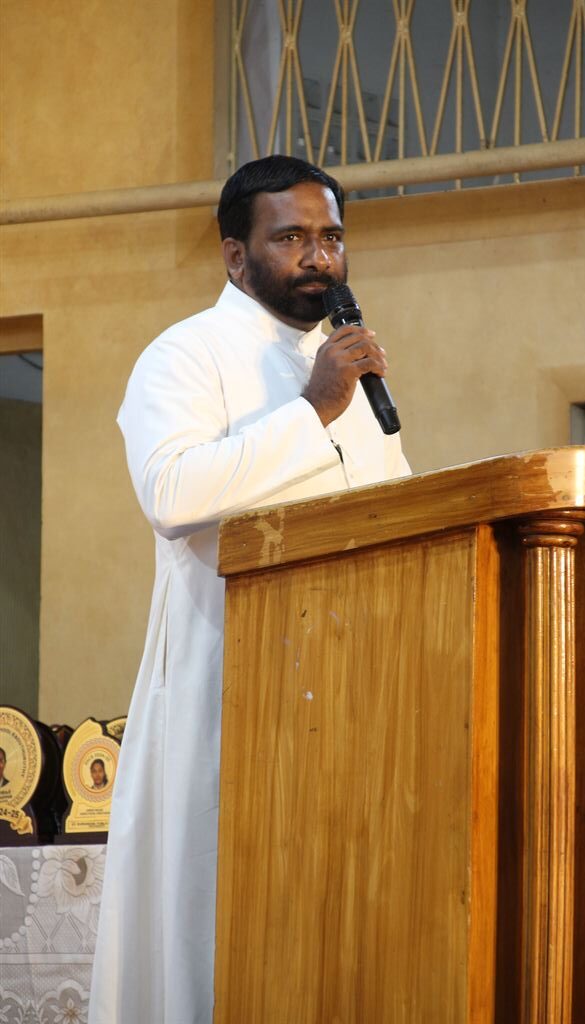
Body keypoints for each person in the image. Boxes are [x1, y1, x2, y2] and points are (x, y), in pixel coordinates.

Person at [88, 155, 410, 1024]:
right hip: (229, 694)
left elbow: (399, 512)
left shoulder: (350, 371)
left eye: (332, 237)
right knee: (221, 934)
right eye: (293, 237)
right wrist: (313, 410)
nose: (320, 257)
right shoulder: (184, 355)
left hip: (357, 694)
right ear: (236, 255)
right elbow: (171, 495)